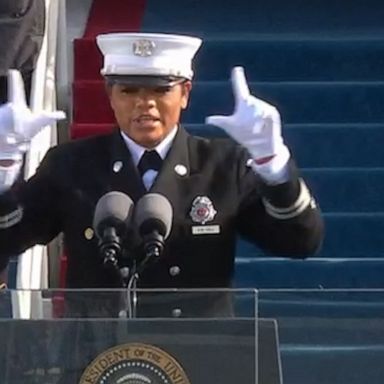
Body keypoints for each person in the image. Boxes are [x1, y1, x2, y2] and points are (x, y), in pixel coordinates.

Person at [0, 33, 323, 313]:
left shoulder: (223, 165)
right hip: (97, 359)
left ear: (184, 93)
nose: (145, 104)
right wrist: (4, 167)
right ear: (109, 94)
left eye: (160, 91)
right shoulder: (71, 164)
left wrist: (272, 162)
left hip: (194, 359)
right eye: (129, 91)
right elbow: (8, 240)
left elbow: (299, 242)